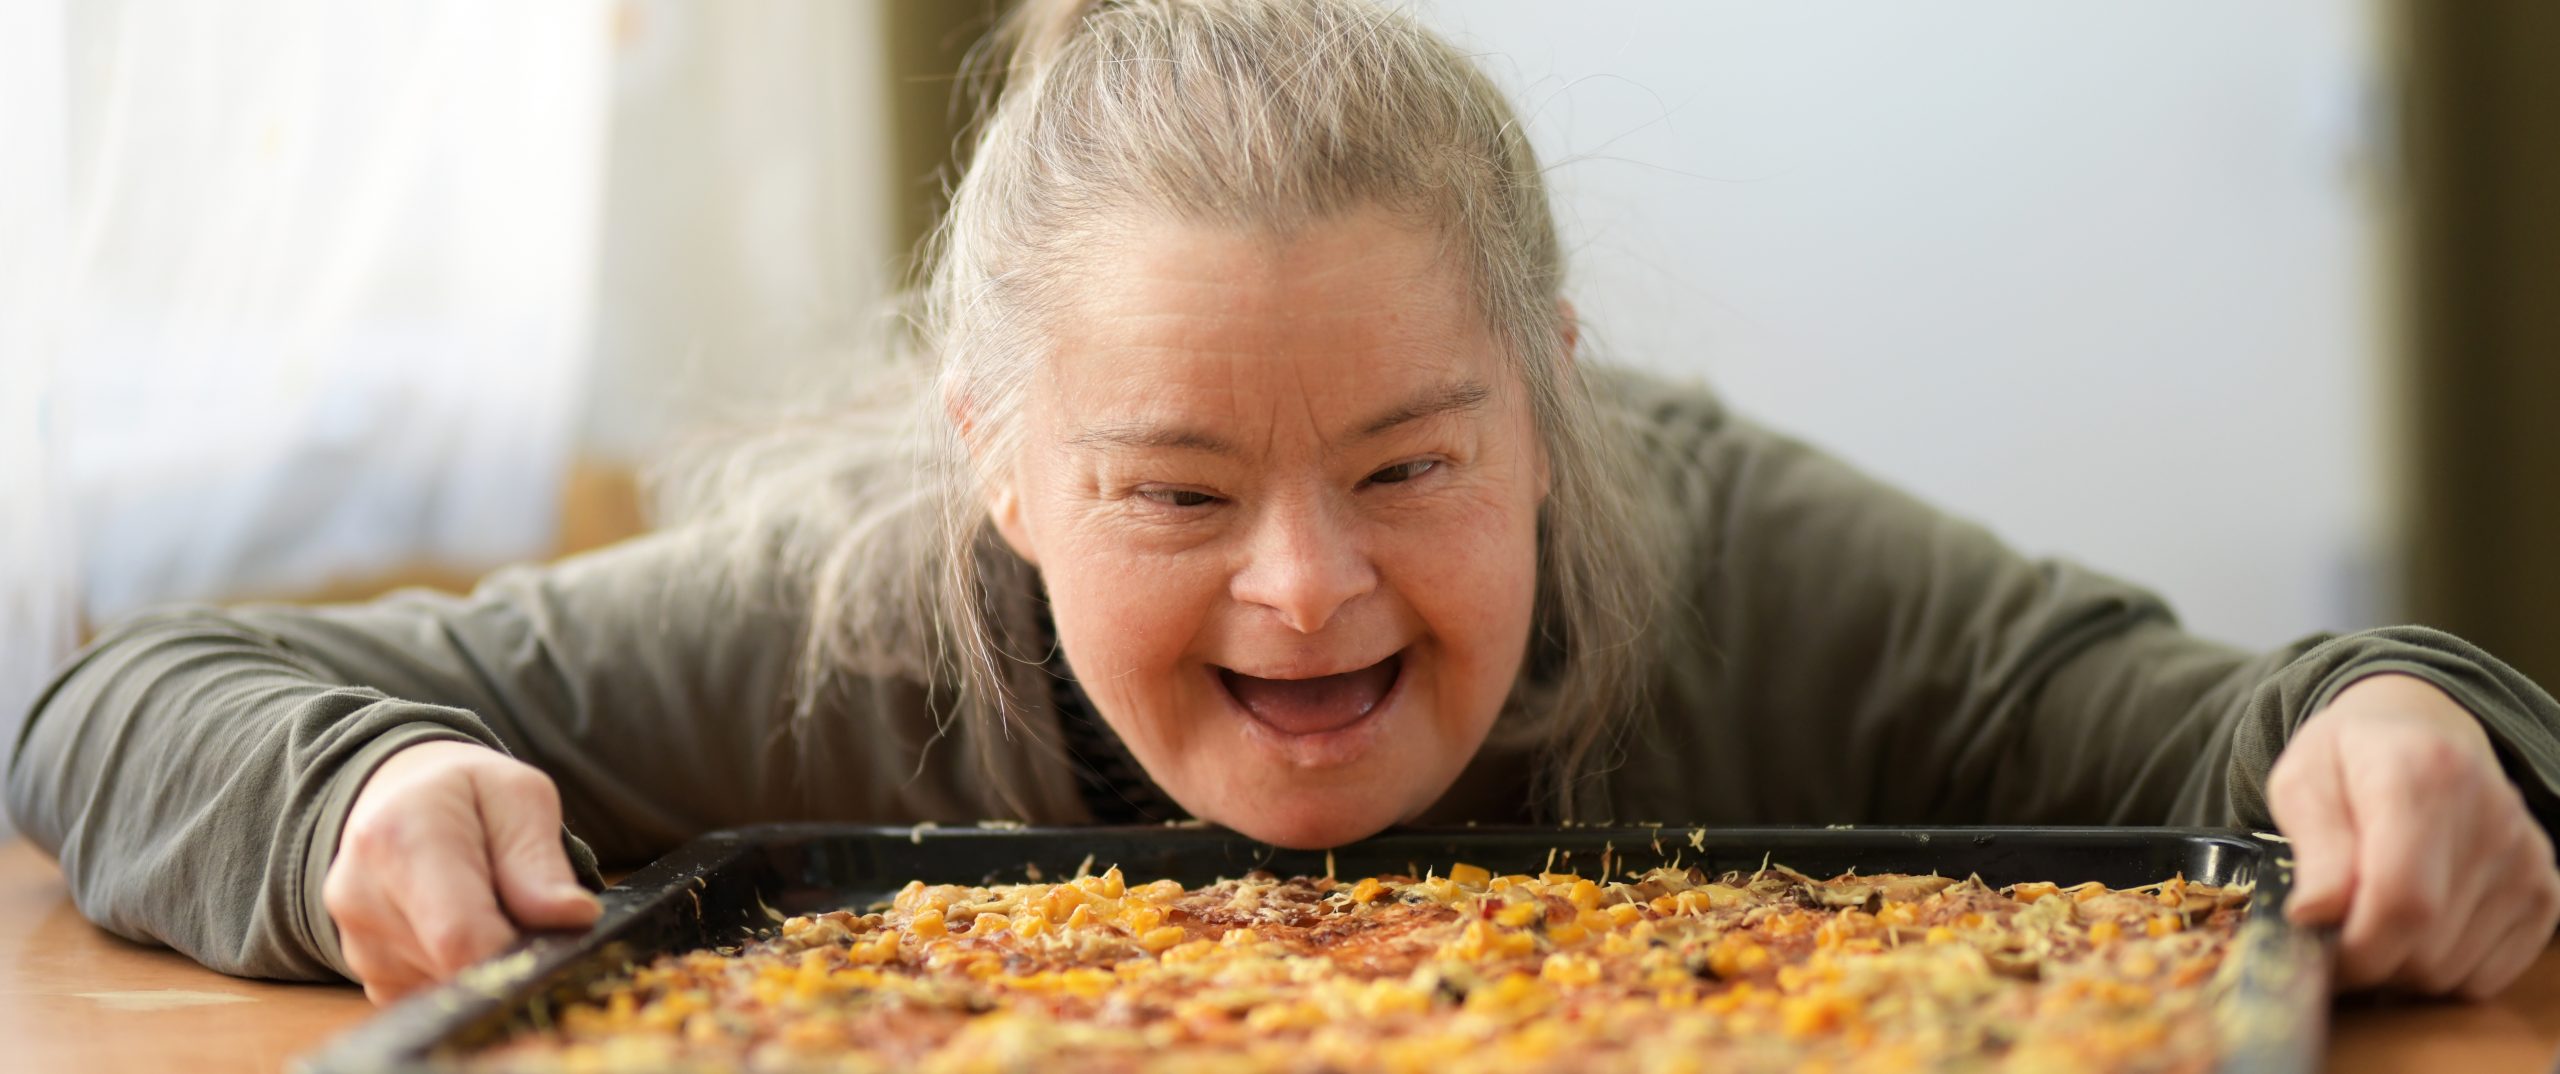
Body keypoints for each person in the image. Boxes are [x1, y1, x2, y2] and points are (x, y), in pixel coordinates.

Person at [12, 0, 2560, 1009]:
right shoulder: (833, 629)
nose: (1307, 580)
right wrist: (348, 787)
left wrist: (2402, 724)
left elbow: (2243, 717)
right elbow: (128, 706)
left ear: (1550, 408)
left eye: (1412, 465)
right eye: (1173, 488)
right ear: (989, 460)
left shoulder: (1731, 551)